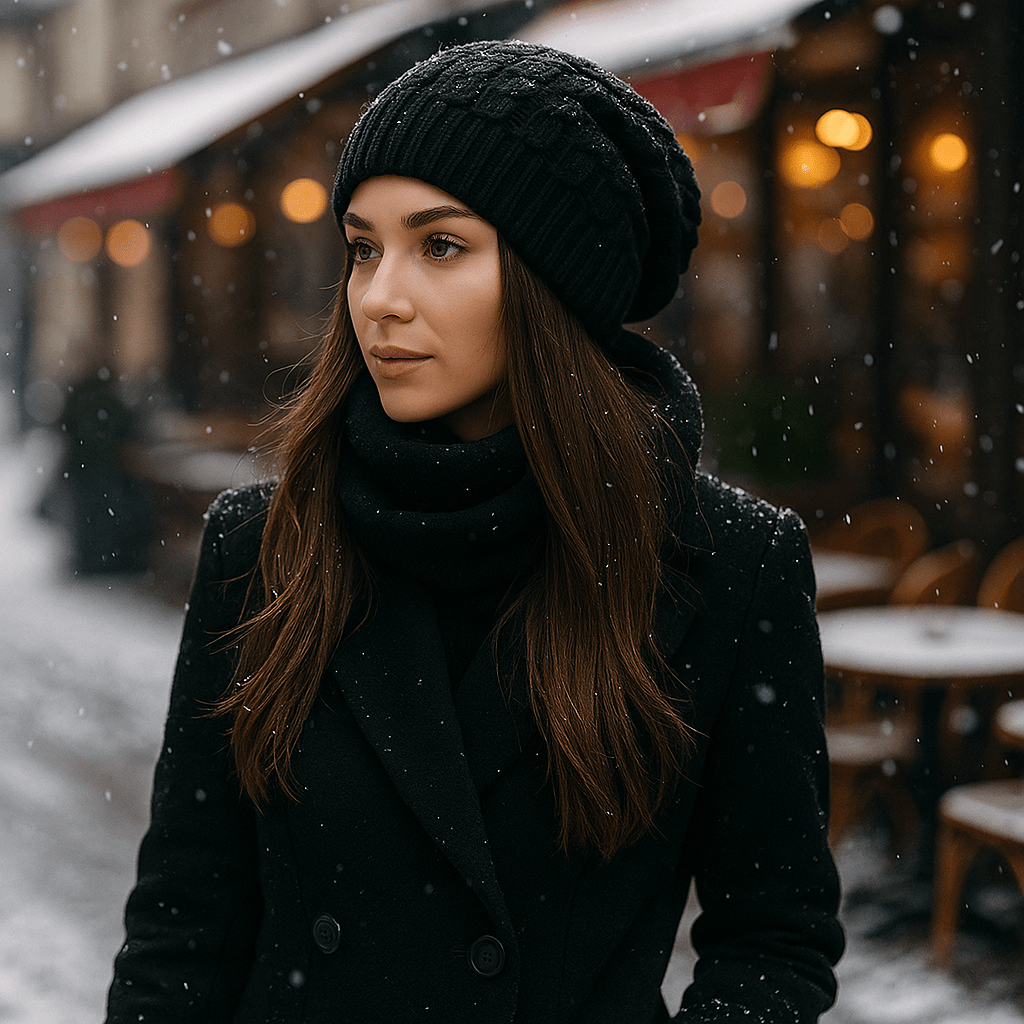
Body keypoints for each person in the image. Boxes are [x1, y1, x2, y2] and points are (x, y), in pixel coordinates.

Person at [105, 39, 844, 1024]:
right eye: (363, 247)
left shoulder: (729, 564)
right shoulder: (265, 546)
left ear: (555, 286)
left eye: (439, 245)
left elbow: (773, 936)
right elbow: (181, 931)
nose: (378, 296)